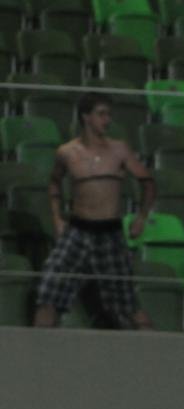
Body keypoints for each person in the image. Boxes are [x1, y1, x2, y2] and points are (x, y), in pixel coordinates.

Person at [33, 91, 156, 329]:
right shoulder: (67, 152)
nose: (107, 120)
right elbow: (55, 182)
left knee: (127, 303)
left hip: (109, 231)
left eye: (108, 114)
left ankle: (155, 357)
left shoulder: (119, 149)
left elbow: (148, 182)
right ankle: (35, 358)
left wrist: (141, 217)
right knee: (48, 291)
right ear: (86, 117)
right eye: (101, 114)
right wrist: (57, 218)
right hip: (78, 230)